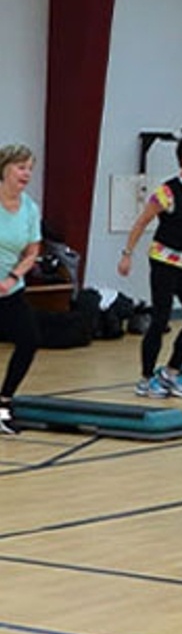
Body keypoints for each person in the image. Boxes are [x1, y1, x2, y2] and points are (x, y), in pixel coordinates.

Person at [118, 137, 182, 399]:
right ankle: (146, 378)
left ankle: (171, 371)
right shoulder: (167, 192)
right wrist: (127, 254)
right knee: (161, 318)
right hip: (164, 261)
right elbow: (142, 222)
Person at [0, 144, 43, 434]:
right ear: (4, 169)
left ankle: (3, 404)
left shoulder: (29, 207)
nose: (26, 173)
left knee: (29, 339)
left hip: (10, 290)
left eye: (29, 168)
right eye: (20, 167)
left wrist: (13, 277)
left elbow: (32, 251)